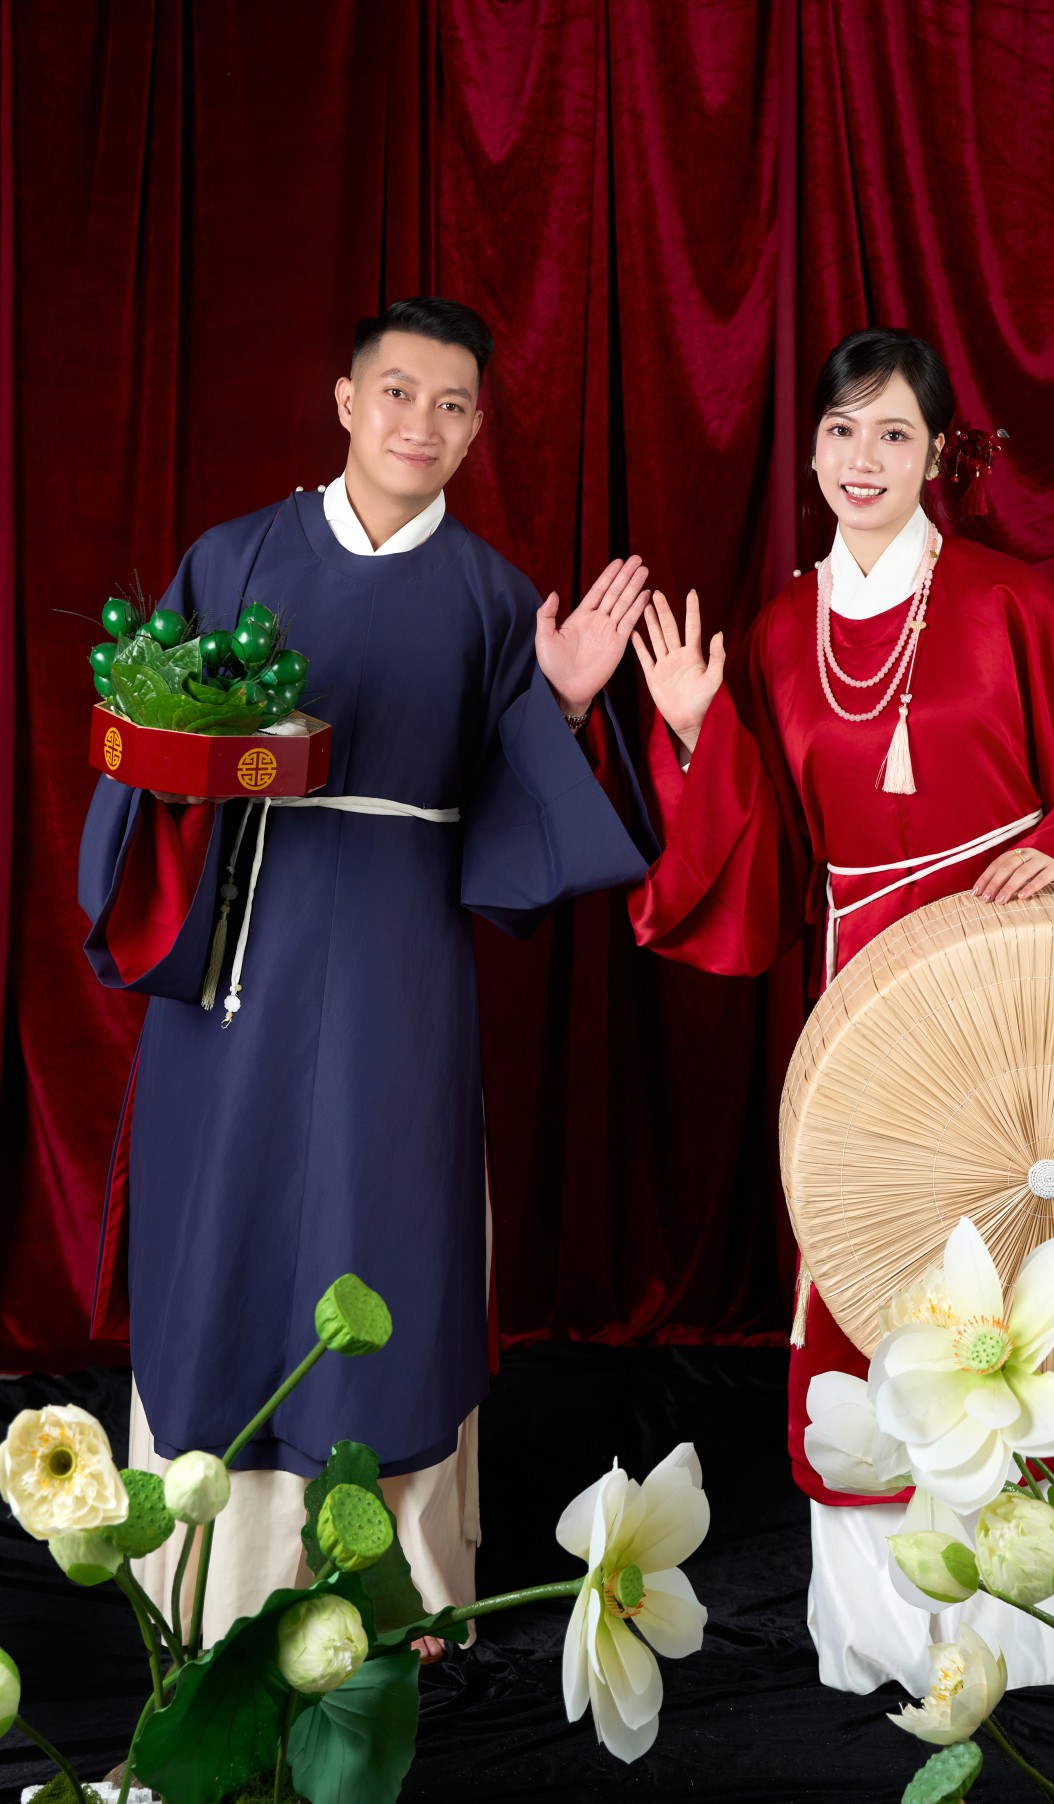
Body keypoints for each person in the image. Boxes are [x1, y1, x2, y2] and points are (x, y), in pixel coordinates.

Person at [626, 327, 1054, 1693]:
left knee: (1041, 1262)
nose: (863, 458)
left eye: (893, 432)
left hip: (1019, 988)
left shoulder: (1010, 603)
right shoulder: (776, 633)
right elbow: (761, 861)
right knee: (882, 1264)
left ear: (938, 452)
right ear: (812, 450)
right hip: (871, 998)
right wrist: (699, 731)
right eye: (841, 430)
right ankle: (901, 1634)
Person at [79, 296, 655, 1644]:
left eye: (453, 405)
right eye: (398, 393)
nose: (422, 425)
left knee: (387, 1212)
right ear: (346, 400)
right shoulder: (229, 560)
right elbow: (140, 762)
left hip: (402, 956)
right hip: (246, 938)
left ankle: (395, 1590)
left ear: (476, 429)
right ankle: (208, 1576)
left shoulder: (495, 597)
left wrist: (566, 700)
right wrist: (184, 779)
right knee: (224, 1209)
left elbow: (516, 821)